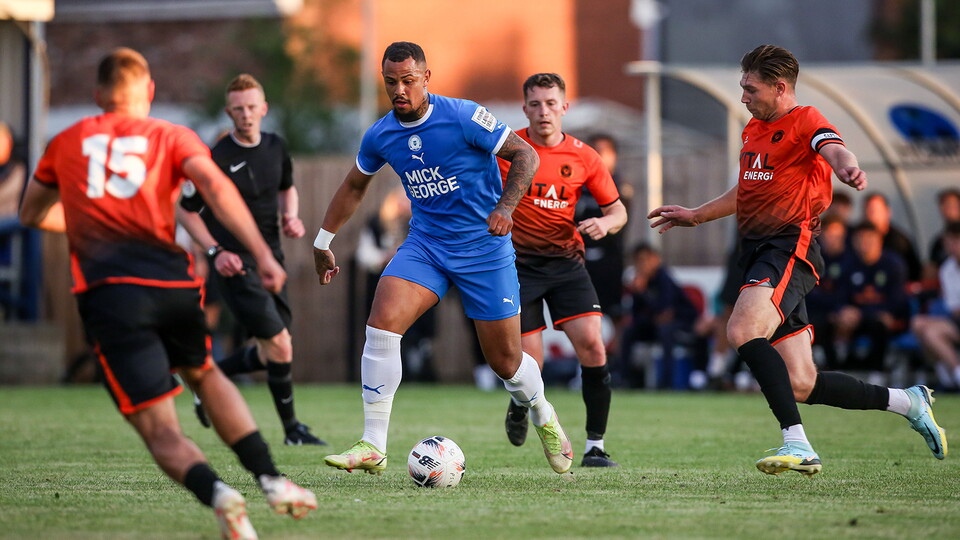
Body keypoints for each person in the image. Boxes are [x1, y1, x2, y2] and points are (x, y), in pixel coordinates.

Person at [18, 48, 315, 539]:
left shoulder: (65, 141)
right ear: (149, 92)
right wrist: (264, 253)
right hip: (172, 285)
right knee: (207, 374)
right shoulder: (172, 135)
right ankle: (272, 479)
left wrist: (85, 225)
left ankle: (220, 495)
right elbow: (217, 192)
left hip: (111, 294)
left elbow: (31, 214)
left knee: (160, 430)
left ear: (97, 96)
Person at [648, 45, 947, 476]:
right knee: (802, 383)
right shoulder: (753, 129)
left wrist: (848, 168)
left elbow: (836, 148)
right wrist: (696, 214)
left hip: (790, 246)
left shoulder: (806, 120)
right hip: (758, 253)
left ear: (780, 87)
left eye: (750, 89)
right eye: (742, 88)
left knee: (742, 329)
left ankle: (798, 443)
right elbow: (746, 191)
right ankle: (908, 401)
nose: (744, 97)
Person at [312, 42, 573, 475]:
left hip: (483, 248)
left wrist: (506, 207)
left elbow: (526, 154)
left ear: (426, 78)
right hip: (427, 246)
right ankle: (373, 444)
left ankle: (544, 413)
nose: (400, 89)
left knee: (506, 363)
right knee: (382, 320)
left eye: (408, 80)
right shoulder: (381, 134)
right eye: (391, 82)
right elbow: (354, 185)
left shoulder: (464, 115)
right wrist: (323, 241)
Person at [177, 73, 325, 446]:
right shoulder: (216, 157)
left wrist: (290, 215)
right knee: (279, 345)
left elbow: (286, 188)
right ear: (229, 112)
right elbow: (186, 210)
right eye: (238, 108)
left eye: (252, 107)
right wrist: (215, 251)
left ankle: (203, 384)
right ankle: (292, 431)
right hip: (236, 264)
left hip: (271, 260)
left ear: (264, 109)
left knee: (270, 350)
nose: (246, 114)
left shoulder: (276, 146)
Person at [497, 73, 627, 468]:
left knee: (592, 344)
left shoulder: (585, 157)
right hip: (518, 266)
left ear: (564, 108)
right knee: (529, 364)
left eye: (551, 103)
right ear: (525, 109)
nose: (543, 112)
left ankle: (595, 446)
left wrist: (605, 224)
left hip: (567, 264)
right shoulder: (506, 151)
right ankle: (521, 405)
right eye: (535, 104)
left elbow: (617, 210)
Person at [833, 222, 909, 377]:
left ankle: (877, 371)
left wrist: (865, 313)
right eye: (860, 239)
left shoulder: (893, 264)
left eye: (869, 238)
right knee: (831, 322)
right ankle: (837, 370)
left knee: (879, 323)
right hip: (857, 317)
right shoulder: (848, 265)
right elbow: (840, 296)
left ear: (879, 240)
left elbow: (897, 301)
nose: (864, 243)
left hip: (884, 317)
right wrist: (843, 311)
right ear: (854, 241)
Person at [619, 242, 698, 389]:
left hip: (680, 323)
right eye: (637, 261)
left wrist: (643, 293)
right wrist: (638, 293)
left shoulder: (664, 279)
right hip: (653, 324)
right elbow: (636, 314)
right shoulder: (639, 282)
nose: (641, 265)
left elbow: (664, 311)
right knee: (628, 332)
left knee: (665, 331)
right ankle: (625, 379)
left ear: (655, 259)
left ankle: (666, 383)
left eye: (644, 260)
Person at [912, 221, 960, 389]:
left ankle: (954, 375)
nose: (952, 247)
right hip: (957, 321)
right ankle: (949, 375)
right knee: (918, 324)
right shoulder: (947, 269)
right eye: (949, 242)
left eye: (955, 241)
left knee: (932, 333)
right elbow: (954, 309)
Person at [862, 192, 923, 283]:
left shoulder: (899, 242)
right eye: (866, 211)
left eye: (873, 211)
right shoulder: (857, 238)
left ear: (887, 212)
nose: (869, 215)